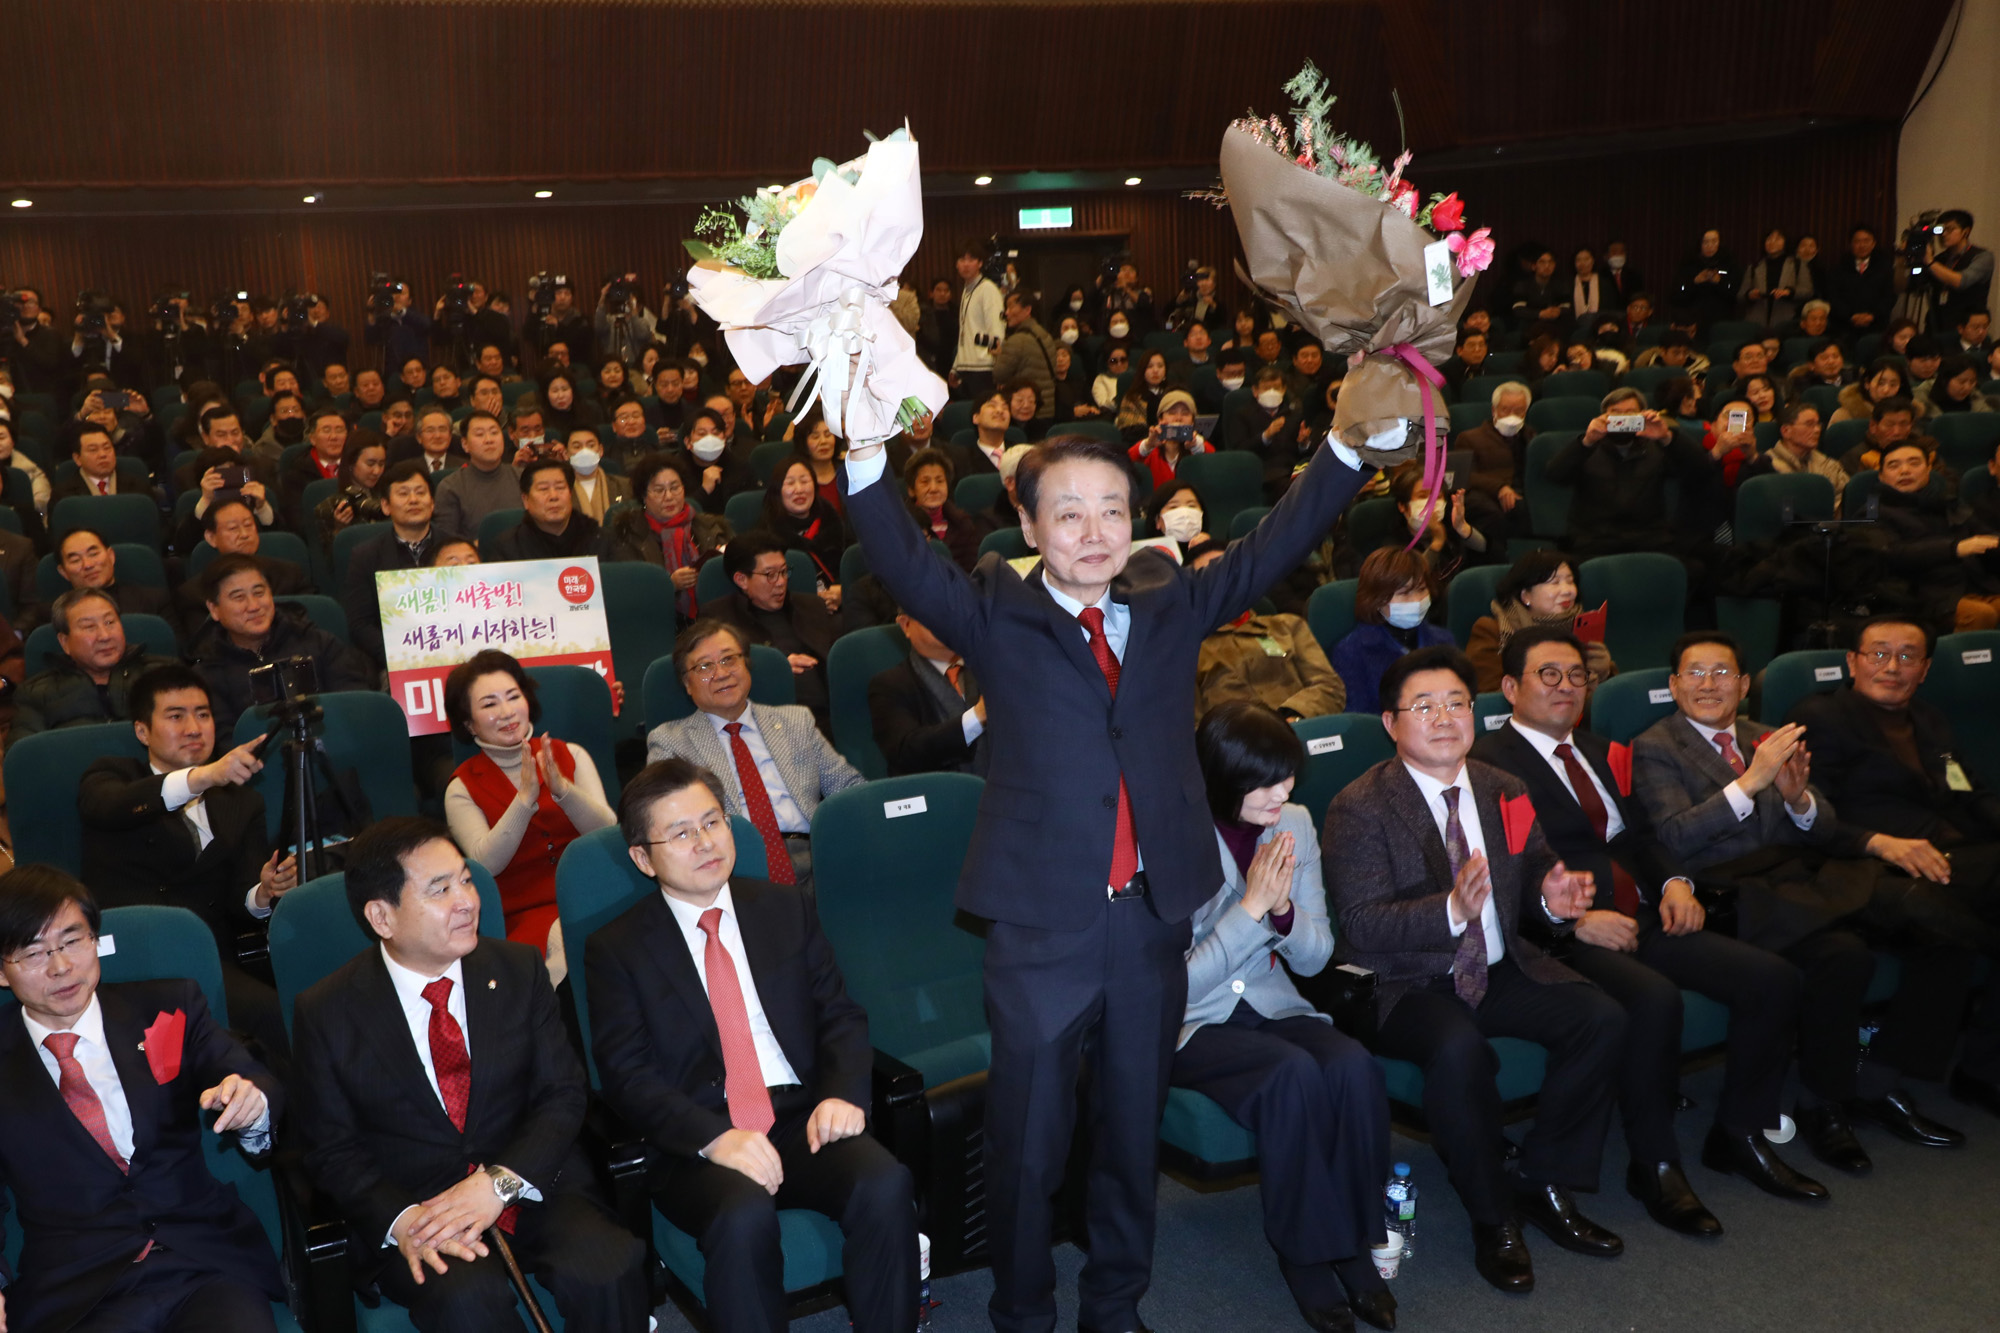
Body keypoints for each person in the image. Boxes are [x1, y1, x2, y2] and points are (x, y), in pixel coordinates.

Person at [841, 420, 1375, 1333]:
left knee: (1131, 1138)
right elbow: (898, 552)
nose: (1094, 531)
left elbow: (1270, 546)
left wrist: (1350, 450)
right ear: (1029, 522)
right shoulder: (993, 609)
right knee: (1029, 1146)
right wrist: (861, 455)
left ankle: (1115, 1306)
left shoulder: (1168, 597)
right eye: (1069, 513)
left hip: (1151, 924)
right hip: (1041, 928)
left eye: (1112, 511)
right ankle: (1022, 1313)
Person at [1475, 626, 1830, 1223]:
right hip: (1562, 931)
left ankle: (1739, 1133)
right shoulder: (1488, 766)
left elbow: (1639, 836)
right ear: (1511, 687)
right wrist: (1576, 922)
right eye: (1548, 675)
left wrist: (1672, 883)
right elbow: (1498, 873)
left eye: (1577, 675)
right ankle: (1655, 1165)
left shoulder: (1598, 749)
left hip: (1641, 912)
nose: (1567, 687)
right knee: (1653, 999)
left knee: (1772, 979)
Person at [585, 759, 917, 1333]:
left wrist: (842, 1094)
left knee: (884, 1183)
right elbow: (626, 1075)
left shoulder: (784, 907)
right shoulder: (616, 949)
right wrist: (714, 1138)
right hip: (698, 1138)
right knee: (742, 1217)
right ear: (643, 857)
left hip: (797, 1115)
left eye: (712, 822)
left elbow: (839, 1014)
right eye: (681, 833)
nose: (705, 842)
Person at [1324, 644, 1617, 1293]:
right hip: (1405, 979)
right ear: (1391, 723)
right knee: (1459, 1049)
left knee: (1598, 1016)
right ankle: (1494, 1217)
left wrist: (1551, 896)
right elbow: (1364, 923)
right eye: (1423, 705)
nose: (1444, 716)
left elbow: (1534, 861)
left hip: (1496, 963)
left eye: (1457, 701)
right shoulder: (1360, 805)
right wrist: (1451, 909)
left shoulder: (1502, 788)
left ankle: (1541, 1176)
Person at [291, 817, 650, 1331]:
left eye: (465, 879)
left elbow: (563, 1094)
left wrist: (498, 1183)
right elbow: (331, 1149)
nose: (467, 900)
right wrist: (402, 1220)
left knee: (607, 1265)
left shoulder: (519, 970)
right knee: (469, 1302)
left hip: (528, 1180)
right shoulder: (326, 1012)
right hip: (422, 1208)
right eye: (440, 890)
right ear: (381, 917)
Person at [1632, 630, 1965, 1166]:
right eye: (1696, 672)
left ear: (1744, 685)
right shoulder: (1657, 746)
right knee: (1846, 944)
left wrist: (1797, 799)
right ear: (1675, 685)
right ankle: (1812, 1106)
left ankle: (1848, 1093)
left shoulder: (1769, 734)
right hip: (1721, 893)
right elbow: (1674, 837)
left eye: (1723, 673)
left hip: (1790, 885)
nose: (1709, 684)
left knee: (1891, 948)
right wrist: (1751, 782)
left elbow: (1822, 826)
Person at [1158, 701, 1395, 1331]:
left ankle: (1356, 1244)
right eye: (1265, 781)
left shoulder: (1292, 821)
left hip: (1271, 999)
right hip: (1189, 1021)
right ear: (1221, 779)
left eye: (1288, 775)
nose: (1283, 791)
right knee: (1290, 1074)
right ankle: (1308, 1258)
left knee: (1352, 1067)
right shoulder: (1170, 835)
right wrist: (1252, 911)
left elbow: (1316, 957)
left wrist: (1284, 913)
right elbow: (1167, 987)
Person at [0, 867, 287, 1333]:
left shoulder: (168, 1005)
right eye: (34, 953)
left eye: (73, 941)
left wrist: (251, 1101)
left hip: (205, 1264)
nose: (60, 967)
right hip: (80, 1292)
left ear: (95, 940)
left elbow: (248, 1074)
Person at [1784, 617, 2000, 1118]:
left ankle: (1966, 1072)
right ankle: (1975, 1072)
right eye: (1879, 653)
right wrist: (1879, 843)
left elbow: (1970, 792)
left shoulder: (1930, 721)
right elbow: (1807, 816)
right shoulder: (1820, 718)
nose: (1892, 666)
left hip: (1954, 861)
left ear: (1924, 670)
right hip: (1871, 869)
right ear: (1852, 661)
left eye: (1907, 657)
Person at [77, 664, 298, 1056]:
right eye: (176, 716)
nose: (194, 728)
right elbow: (111, 807)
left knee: (282, 1017)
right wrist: (204, 777)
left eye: (203, 714)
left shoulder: (242, 800)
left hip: (207, 957)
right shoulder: (111, 776)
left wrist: (263, 893)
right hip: (132, 956)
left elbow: (240, 898)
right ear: (142, 731)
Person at [645, 620, 862, 890]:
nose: (722, 673)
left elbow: (849, 788)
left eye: (729, 659)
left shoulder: (796, 722)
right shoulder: (670, 741)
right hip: (735, 870)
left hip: (817, 857)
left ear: (745, 665)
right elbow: (667, 822)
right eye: (704, 666)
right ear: (687, 684)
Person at [442, 650, 615, 961]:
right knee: (568, 946)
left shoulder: (570, 754)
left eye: (513, 696)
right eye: (490, 704)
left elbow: (609, 833)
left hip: (594, 894)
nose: (507, 712)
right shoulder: (461, 788)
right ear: (468, 723)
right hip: (522, 917)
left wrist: (563, 790)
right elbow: (485, 864)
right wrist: (523, 801)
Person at [188, 554, 373, 739]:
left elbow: (356, 706)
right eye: (238, 597)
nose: (253, 606)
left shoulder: (318, 642)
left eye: (259, 593)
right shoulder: (207, 674)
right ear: (214, 609)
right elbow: (226, 742)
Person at [1183, 537, 1345, 721]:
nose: (1225, 581)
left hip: (1304, 731)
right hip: (1236, 743)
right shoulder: (1187, 650)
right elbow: (1190, 726)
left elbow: (1329, 686)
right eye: (1212, 574)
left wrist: (1293, 717)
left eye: (1232, 571)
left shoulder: (1288, 625)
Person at [1545, 387, 1716, 560]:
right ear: (1603, 416)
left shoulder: (1657, 446)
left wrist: (1667, 437)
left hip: (1649, 538)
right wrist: (1587, 441)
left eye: (1630, 413)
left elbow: (1699, 469)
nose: (1623, 419)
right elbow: (1555, 475)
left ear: (1642, 415)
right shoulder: (1586, 446)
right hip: (1594, 540)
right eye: (1616, 413)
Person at [706, 534, 839, 734]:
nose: (780, 582)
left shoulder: (812, 606)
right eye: (770, 575)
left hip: (830, 717)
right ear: (742, 579)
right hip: (767, 725)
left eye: (784, 572)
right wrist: (775, 667)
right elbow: (717, 675)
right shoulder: (718, 619)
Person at [10, 588, 178, 741]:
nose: (104, 636)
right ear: (65, 642)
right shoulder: (35, 694)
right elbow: (26, 760)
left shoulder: (166, 675)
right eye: (89, 627)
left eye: (110, 622)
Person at [342, 460, 447, 668]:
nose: (413, 500)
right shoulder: (365, 556)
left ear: (432, 502)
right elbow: (360, 625)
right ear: (386, 506)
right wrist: (399, 656)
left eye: (420, 492)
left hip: (452, 653)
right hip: (394, 662)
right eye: (403, 493)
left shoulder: (456, 549)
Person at [1465, 550, 1617, 693]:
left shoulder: (1583, 626)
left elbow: (1609, 697)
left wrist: (1606, 673)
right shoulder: (1492, 630)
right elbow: (1490, 695)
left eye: (1570, 582)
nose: (1567, 591)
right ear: (1526, 596)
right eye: (1555, 582)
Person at [1330, 547, 1452, 714]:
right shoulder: (1350, 652)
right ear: (1377, 599)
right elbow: (1360, 721)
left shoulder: (1444, 640)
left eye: (1422, 589)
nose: (1417, 600)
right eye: (1404, 593)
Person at [867, 609, 987, 777]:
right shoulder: (889, 685)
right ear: (905, 625)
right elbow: (906, 754)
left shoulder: (991, 668)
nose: (947, 623)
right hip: (938, 796)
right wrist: (978, 716)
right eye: (934, 612)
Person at [174, 498, 309, 630]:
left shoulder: (289, 574)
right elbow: (203, 645)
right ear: (211, 537)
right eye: (233, 528)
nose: (244, 534)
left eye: (248, 525)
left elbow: (308, 626)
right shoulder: (195, 594)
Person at [482, 457, 607, 562]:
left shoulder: (599, 539)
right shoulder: (507, 548)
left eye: (560, 487)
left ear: (570, 494)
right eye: (543, 489)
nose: (553, 496)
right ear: (526, 500)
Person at [760, 456, 849, 599]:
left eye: (804, 481)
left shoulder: (833, 522)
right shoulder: (765, 534)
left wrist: (842, 593)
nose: (799, 489)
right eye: (790, 483)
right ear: (777, 490)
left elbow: (854, 574)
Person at [53, 527, 177, 626]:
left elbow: (173, 650)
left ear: (111, 556)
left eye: (93, 554)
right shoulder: (52, 615)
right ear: (63, 572)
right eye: (75, 560)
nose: (88, 565)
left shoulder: (155, 601)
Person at [432, 411, 521, 542]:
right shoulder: (450, 487)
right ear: (465, 444)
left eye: (494, 432)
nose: (489, 440)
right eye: (480, 434)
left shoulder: (522, 477)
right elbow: (446, 541)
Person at [1737, 400, 1850, 499]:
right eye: (1809, 424)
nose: (1817, 430)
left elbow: (1846, 499)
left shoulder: (1827, 463)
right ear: (1786, 431)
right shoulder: (1766, 465)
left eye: (1818, 424)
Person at [900, 448, 983, 575]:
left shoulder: (962, 522)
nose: (933, 488)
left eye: (939, 481)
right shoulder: (902, 524)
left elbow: (972, 571)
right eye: (925, 482)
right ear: (911, 490)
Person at [990, 289, 1060, 427]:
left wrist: (998, 356)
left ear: (1027, 310)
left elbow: (999, 375)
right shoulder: (1045, 334)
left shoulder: (1017, 340)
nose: (1007, 313)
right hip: (1047, 407)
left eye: (1011, 307)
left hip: (1025, 411)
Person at [1127, 388, 1212, 491]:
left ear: (1193, 422)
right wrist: (1148, 445)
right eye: (1172, 413)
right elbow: (1127, 462)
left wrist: (1195, 444)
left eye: (1185, 414)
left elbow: (1212, 461)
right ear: (1160, 419)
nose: (1178, 418)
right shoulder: (1150, 449)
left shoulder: (1198, 447)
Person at [1922, 210, 1992, 333]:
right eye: (1942, 230)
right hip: (1937, 323)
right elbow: (1911, 286)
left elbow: (1961, 281)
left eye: (1950, 229)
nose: (1944, 234)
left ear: (1966, 231)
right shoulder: (1939, 259)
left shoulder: (1982, 256)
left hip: (1967, 326)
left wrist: (1930, 262)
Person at [953, 239, 1006, 402]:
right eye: (962, 260)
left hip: (983, 369)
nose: (966, 264)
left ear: (980, 263)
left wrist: (997, 366)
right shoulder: (966, 290)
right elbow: (965, 333)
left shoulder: (988, 289)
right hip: (966, 367)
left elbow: (997, 333)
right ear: (956, 264)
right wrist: (956, 366)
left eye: (971, 260)